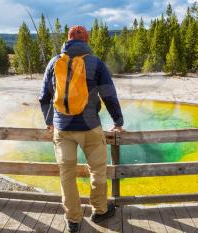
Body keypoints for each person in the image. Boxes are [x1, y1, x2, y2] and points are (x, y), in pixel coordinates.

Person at [39, 25, 124, 232]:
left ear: (67, 40)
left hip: (62, 128)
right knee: (98, 171)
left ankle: (73, 219)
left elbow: (44, 97)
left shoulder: (54, 62)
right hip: (90, 127)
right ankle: (100, 210)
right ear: (86, 41)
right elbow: (109, 95)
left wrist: (49, 121)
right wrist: (118, 121)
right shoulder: (95, 63)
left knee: (66, 175)